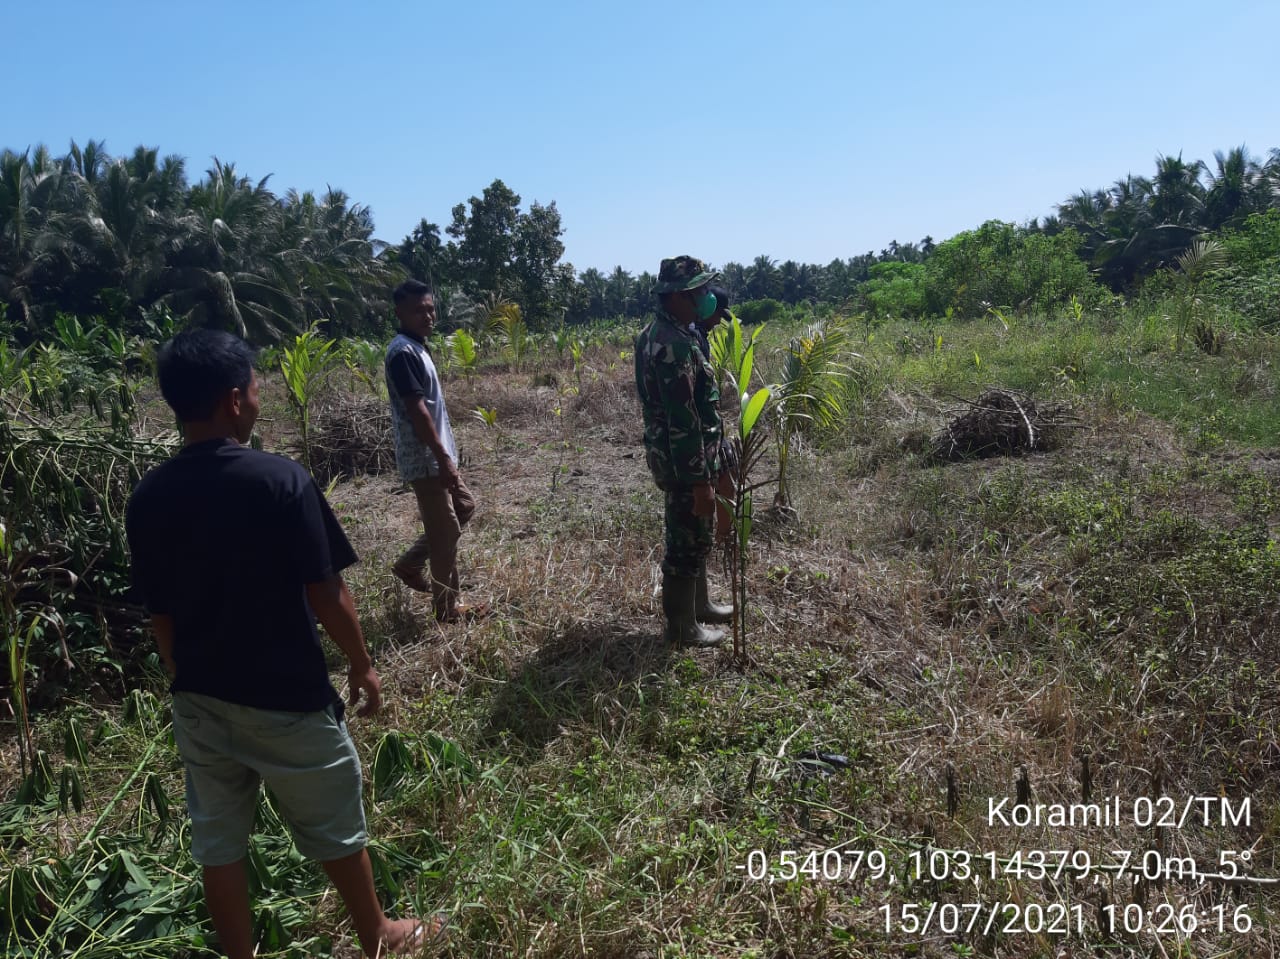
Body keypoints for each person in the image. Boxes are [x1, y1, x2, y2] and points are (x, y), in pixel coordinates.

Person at [125, 329, 441, 959]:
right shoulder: (280, 480)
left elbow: (160, 613)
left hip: (201, 697)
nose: (260, 396)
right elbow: (326, 595)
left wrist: (184, 677)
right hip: (287, 695)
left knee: (218, 842)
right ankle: (376, 931)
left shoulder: (148, 495)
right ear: (234, 399)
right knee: (335, 822)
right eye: (254, 386)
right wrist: (363, 664)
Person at [634, 255, 733, 647]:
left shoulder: (671, 332)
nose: (705, 297)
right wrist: (699, 481)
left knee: (697, 535)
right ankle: (681, 627)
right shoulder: (672, 344)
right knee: (685, 540)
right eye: (698, 291)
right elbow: (684, 420)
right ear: (678, 295)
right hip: (683, 460)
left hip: (686, 457)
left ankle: (701, 605)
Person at [384, 279, 482, 623]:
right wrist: (442, 459)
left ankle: (411, 563)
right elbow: (417, 411)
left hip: (437, 456)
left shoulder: (417, 346)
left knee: (464, 507)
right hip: (425, 459)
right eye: (418, 310)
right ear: (399, 313)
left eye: (430, 308)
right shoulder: (402, 353)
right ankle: (447, 608)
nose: (427, 315)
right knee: (446, 533)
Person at [690, 286, 739, 546]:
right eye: (718, 313)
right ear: (707, 307)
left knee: (727, 477)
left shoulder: (700, 335)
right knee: (723, 480)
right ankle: (721, 539)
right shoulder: (692, 337)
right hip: (701, 428)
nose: (720, 320)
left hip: (710, 424)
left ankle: (722, 537)